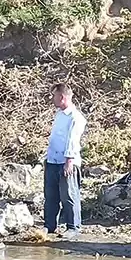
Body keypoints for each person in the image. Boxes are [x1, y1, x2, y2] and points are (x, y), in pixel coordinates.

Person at [44, 83, 86, 238]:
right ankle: (49, 225)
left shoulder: (76, 117)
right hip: (52, 160)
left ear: (61, 97)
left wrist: (69, 160)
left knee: (69, 195)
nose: (52, 99)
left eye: (54, 95)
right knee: (50, 195)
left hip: (67, 161)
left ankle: (73, 227)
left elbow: (72, 140)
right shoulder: (59, 114)